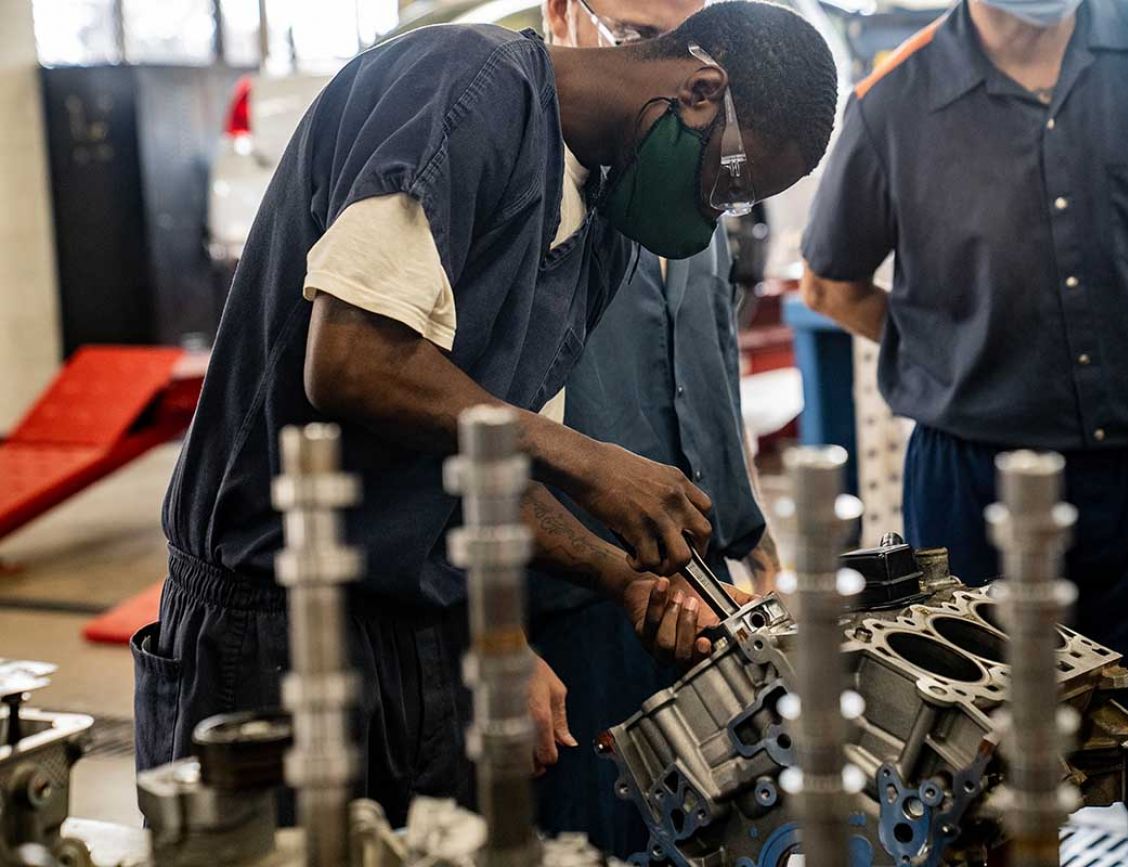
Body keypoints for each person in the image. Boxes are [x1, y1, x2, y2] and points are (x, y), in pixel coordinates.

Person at [132, 0, 838, 828]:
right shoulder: (464, 87)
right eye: (727, 182)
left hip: (417, 634)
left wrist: (617, 575)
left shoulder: (602, 233)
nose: (713, 213)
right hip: (272, 627)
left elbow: (481, 453)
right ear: (698, 90)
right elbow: (350, 359)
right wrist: (587, 458)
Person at [800, 0, 1128, 864]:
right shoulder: (894, 99)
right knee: (975, 770)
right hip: (976, 485)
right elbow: (830, 285)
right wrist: (961, 359)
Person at [525, 0, 803, 856]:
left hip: (700, 589)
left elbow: (710, 354)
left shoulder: (697, 149)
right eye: (645, 41)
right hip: (564, 606)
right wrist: (492, 634)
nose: (679, 82)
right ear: (563, 14)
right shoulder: (513, 173)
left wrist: (750, 539)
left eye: (697, 54)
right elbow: (447, 422)